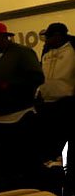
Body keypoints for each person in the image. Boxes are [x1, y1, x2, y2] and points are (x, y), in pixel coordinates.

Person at [0, 21, 44, 190]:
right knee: (5, 166)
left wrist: (7, 86)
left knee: (24, 163)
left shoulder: (23, 53)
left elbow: (36, 78)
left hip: (20, 117)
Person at [35, 23, 75, 161]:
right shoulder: (46, 51)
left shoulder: (72, 50)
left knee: (65, 141)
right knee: (50, 141)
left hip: (67, 104)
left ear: (58, 36)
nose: (46, 40)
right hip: (46, 104)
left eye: (48, 37)